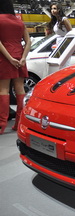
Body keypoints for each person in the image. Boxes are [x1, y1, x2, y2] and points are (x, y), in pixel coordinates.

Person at [0, 0, 31, 134]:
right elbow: (28, 41)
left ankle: (2, 125)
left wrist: (10, 59)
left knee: (3, 90)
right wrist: (23, 58)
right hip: (20, 56)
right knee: (19, 89)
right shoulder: (19, 22)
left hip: (5, 57)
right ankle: (19, 122)